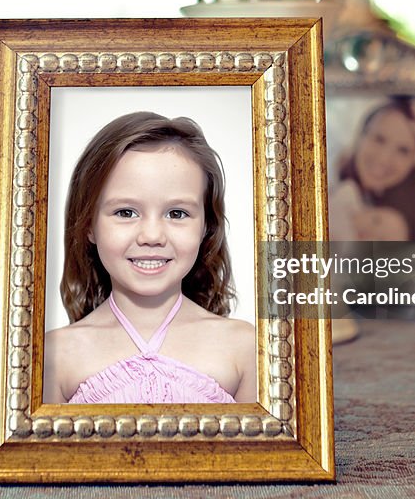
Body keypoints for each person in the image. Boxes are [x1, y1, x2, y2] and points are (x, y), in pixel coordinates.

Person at [44, 112, 256, 404]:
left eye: (177, 213)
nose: (152, 235)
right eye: (125, 212)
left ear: (206, 226)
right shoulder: (53, 354)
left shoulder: (246, 347)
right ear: (88, 225)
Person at [329, 97, 415, 241]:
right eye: (379, 139)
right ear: (360, 137)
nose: (384, 158)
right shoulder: (327, 196)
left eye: (403, 150)